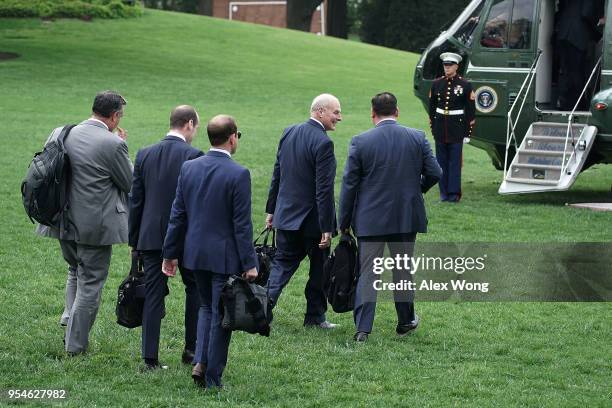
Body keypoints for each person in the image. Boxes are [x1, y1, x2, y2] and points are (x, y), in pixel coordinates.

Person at [162, 114, 258, 389]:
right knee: (221, 316)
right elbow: (242, 225)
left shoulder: (189, 168)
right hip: (223, 257)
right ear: (232, 138)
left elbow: (177, 215)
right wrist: (250, 263)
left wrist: (169, 254)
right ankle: (212, 377)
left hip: (194, 254)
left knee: (206, 308)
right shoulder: (238, 174)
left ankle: (201, 361)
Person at [339, 92, 441, 342]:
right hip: (405, 217)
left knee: (368, 273)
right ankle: (406, 320)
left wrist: (343, 223)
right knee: (403, 271)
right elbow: (435, 172)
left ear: (373, 114)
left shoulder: (360, 141)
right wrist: (417, 189)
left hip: (370, 219)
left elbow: (349, 186)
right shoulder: (417, 137)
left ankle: (363, 329)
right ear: (397, 112)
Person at [37, 90, 133, 355]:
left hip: (60, 219)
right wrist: (123, 146)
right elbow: (129, 182)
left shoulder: (60, 132)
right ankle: (75, 345)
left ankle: (69, 322)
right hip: (95, 227)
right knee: (90, 282)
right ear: (114, 117)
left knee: (74, 271)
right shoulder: (112, 144)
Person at [128, 105, 204, 370]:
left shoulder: (144, 154)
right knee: (194, 289)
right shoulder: (195, 155)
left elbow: (135, 201)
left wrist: (134, 241)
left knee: (153, 294)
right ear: (189, 124)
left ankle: (150, 357)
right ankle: (191, 349)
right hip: (185, 237)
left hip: (150, 237)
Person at [265, 93, 341, 329]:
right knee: (319, 271)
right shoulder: (324, 143)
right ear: (320, 111)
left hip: (286, 217)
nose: (339, 117)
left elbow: (278, 173)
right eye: (335, 112)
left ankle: (260, 309)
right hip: (313, 224)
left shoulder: (289, 132)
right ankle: (315, 317)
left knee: (281, 266)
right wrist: (327, 227)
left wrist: (271, 210)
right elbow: (324, 190)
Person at [428, 52, 475, 203]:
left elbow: (470, 111)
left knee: (454, 163)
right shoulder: (436, 84)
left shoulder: (465, 85)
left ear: (456, 66)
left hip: (457, 128)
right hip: (441, 127)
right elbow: (432, 107)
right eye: (445, 65)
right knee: (441, 162)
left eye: (450, 66)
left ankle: (454, 194)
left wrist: (468, 132)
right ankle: (443, 193)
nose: (447, 68)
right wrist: (434, 127)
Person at [555, 0, 605, 111]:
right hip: (577, 36)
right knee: (577, 72)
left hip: (563, 34)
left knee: (565, 71)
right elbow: (587, 13)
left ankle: (563, 104)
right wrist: (599, 24)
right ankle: (577, 106)